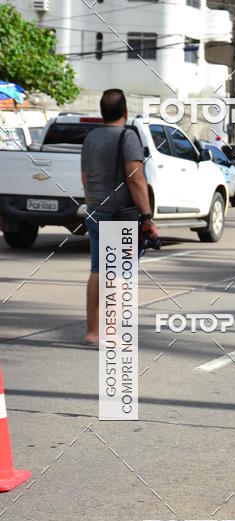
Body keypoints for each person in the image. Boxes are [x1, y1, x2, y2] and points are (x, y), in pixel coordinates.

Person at [81, 89, 158, 344]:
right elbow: (135, 178)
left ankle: (93, 331)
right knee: (119, 274)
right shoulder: (128, 136)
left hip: (95, 210)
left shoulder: (90, 138)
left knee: (97, 270)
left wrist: (92, 202)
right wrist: (147, 216)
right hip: (119, 215)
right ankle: (112, 331)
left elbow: (85, 176)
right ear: (125, 112)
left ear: (102, 112)